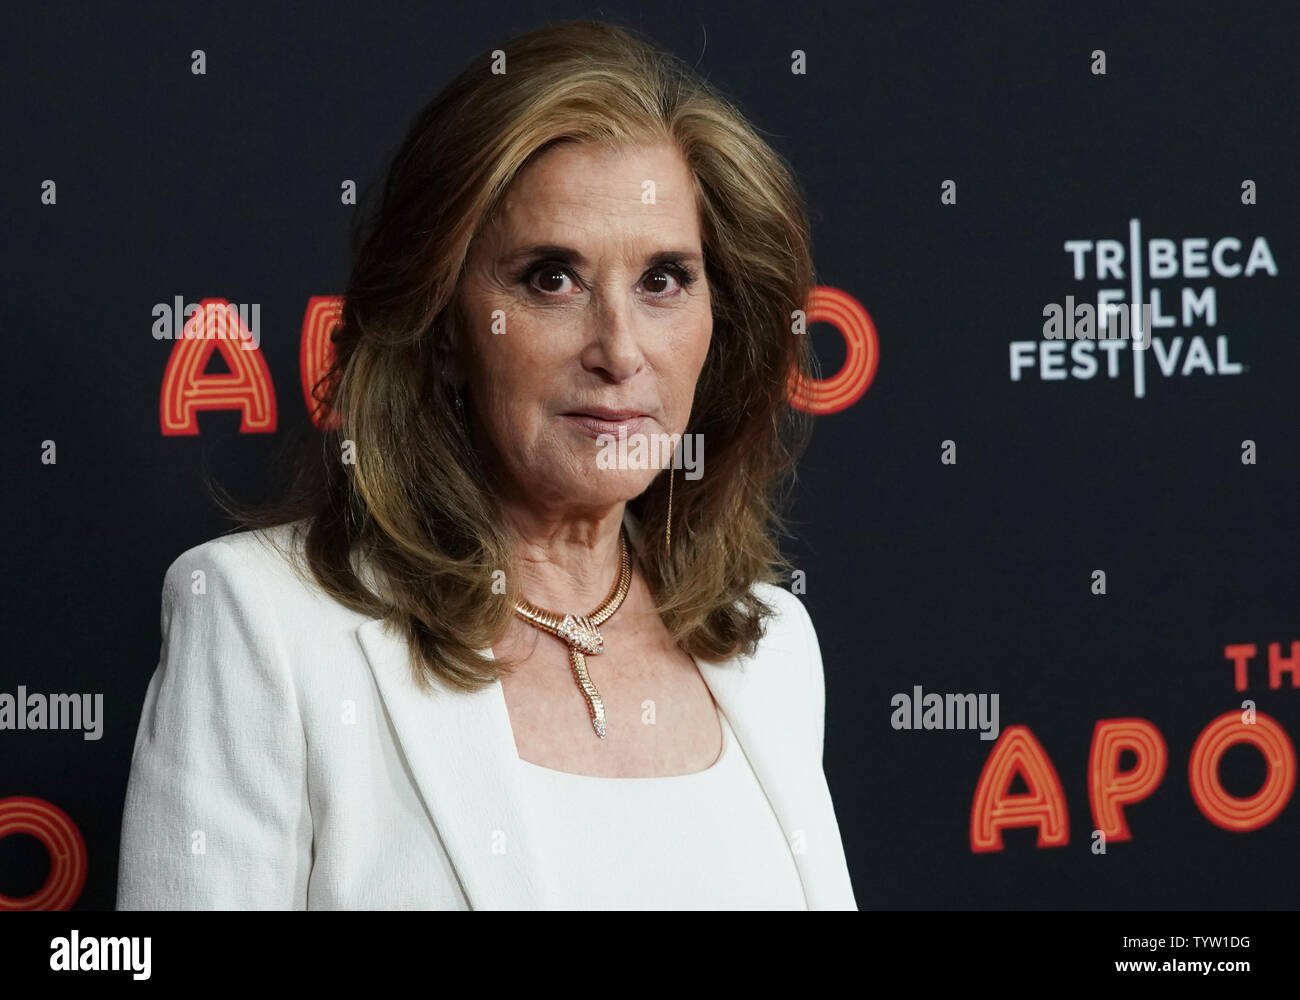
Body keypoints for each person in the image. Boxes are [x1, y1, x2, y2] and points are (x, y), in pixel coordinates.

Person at [116, 18, 856, 910]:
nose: (620, 350)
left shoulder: (770, 646)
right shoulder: (264, 624)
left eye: (662, 280)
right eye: (552, 278)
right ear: (444, 328)